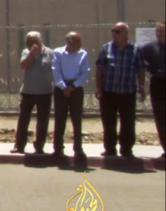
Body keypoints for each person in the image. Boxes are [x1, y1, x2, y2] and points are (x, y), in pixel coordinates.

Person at [96, 22, 146, 158]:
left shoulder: (136, 49)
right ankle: (110, 149)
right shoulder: (106, 48)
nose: (114, 33)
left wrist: (141, 87)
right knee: (109, 122)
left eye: (117, 31)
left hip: (128, 92)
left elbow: (141, 69)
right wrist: (98, 87)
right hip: (108, 91)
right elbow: (100, 68)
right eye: (113, 31)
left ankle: (126, 149)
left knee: (128, 122)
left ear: (126, 33)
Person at [12, 32, 55, 154]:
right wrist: (32, 53)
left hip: (45, 92)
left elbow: (54, 70)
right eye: (27, 42)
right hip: (28, 92)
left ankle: (39, 146)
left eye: (30, 41)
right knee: (23, 120)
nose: (27, 44)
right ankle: (19, 145)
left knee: (42, 120)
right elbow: (23, 65)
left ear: (38, 41)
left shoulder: (50, 53)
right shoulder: (26, 52)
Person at [51, 32, 91, 158]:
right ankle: (58, 148)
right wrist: (64, 87)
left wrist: (73, 86)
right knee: (60, 119)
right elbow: (55, 71)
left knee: (77, 119)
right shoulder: (58, 53)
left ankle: (78, 148)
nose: (81, 43)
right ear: (70, 43)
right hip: (60, 89)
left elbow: (85, 73)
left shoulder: (83, 54)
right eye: (78, 41)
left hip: (76, 89)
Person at [141, 21, 165, 158]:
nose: (159, 33)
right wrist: (151, 69)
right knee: (161, 117)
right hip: (158, 84)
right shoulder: (150, 48)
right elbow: (141, 62)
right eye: (157, 31)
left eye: (162, 31)